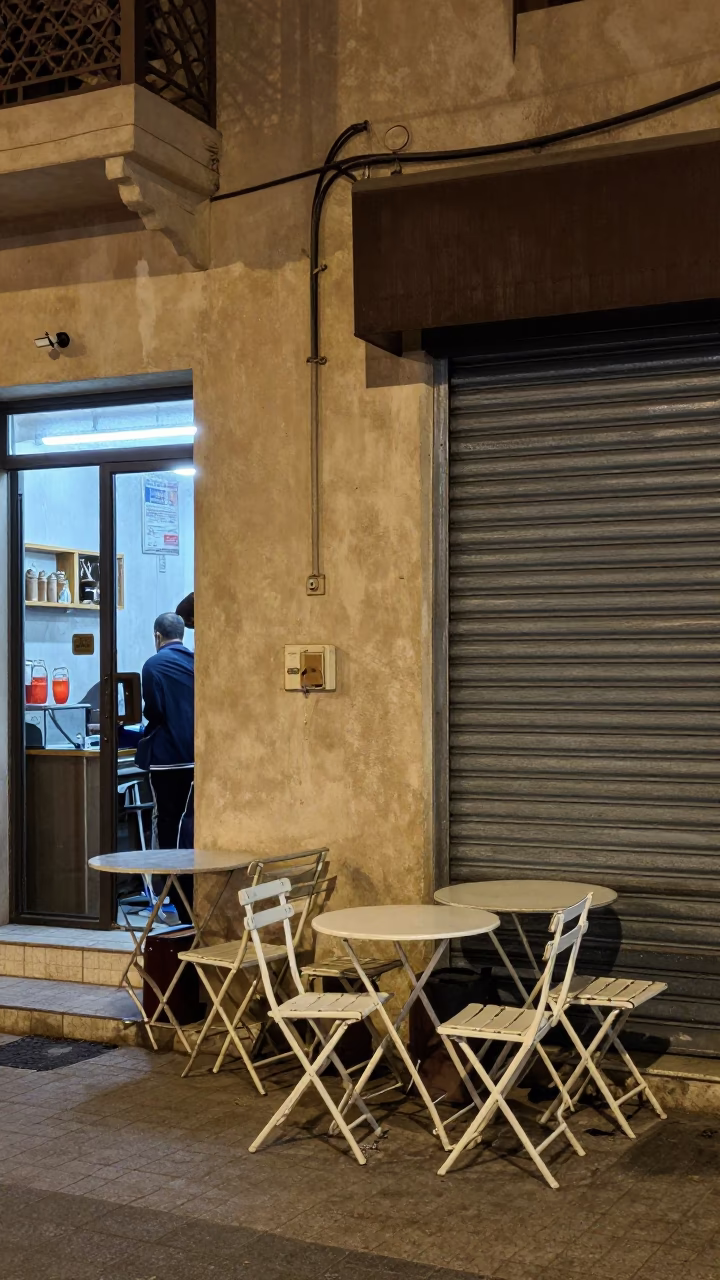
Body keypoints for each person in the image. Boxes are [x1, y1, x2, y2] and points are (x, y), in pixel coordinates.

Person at [136, 612, 194, 921]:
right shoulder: (197, 662)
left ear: (158, 636)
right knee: (189, 824)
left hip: (167, 759)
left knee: (165, 822)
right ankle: (186, 892)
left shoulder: (153, 665)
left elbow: (154, 711)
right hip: (196, 756)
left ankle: (164, 894)